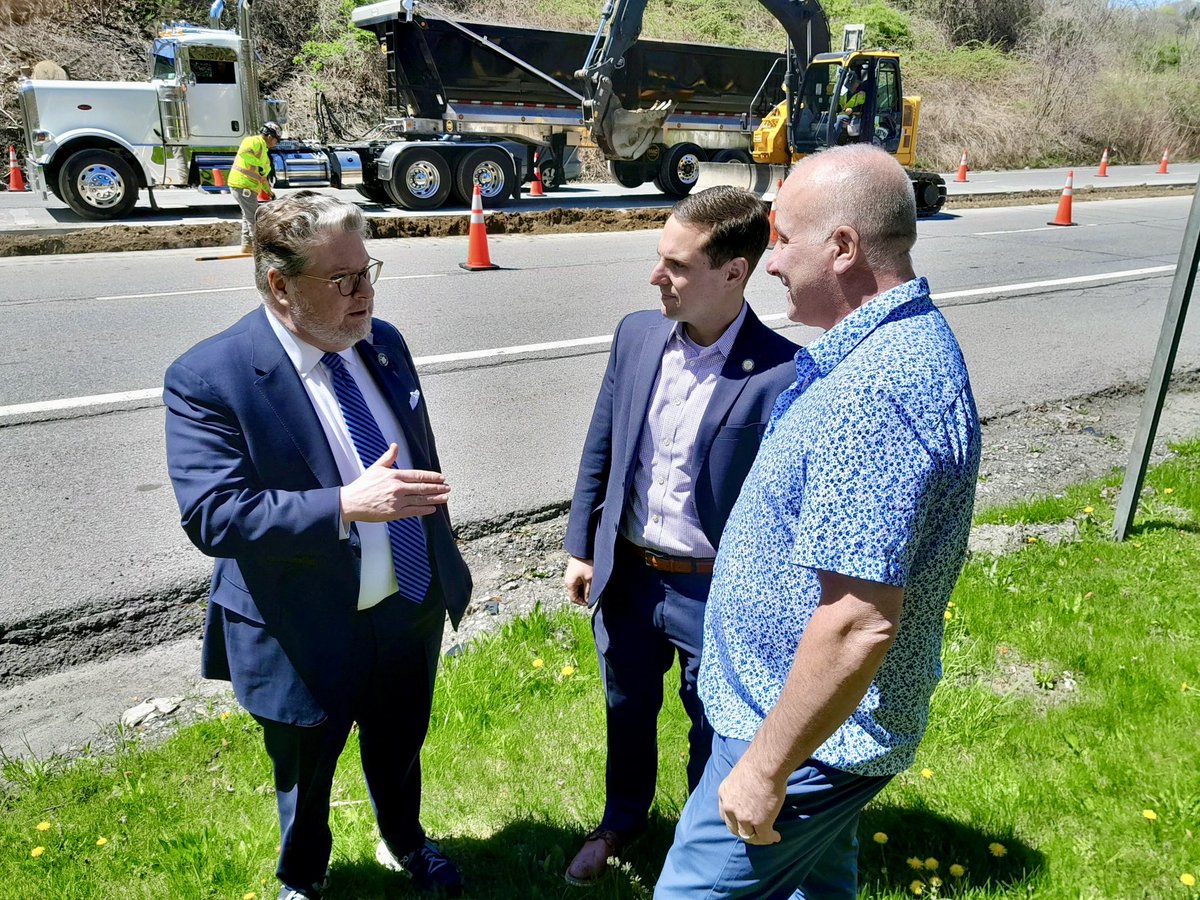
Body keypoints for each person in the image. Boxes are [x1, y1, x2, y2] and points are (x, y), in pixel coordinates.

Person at [655, 145, 982, 899]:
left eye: (782, 239)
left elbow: (858, 621)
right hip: (806, 721)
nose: (768, 262)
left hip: (803, 739)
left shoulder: (877, 392)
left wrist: (765, 768)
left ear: (842, 248)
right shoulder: (881, 352)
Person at [164, 191, 472, 900]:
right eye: (343, 281)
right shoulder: (212, 376)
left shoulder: (382, 342)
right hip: (304, 625)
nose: (365, 295)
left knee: (399, 749)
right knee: (305, 771)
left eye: (369, 272)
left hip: (408, 605)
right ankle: (302, 877)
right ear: (279, 284)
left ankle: (407, 842)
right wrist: (342, 505)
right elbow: (213, 514)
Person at [562, 186, 800, 885]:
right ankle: (622, 820)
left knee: (714, 727)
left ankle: (697, 847)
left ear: (734, 273)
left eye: (676, 265)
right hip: (630, 574)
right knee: (625, 706)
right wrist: (583, 546)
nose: (655, 277)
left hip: (714, 588)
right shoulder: (636, 336)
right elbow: (602, 446)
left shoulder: (782, 372)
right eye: (658, 258)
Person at [229, 120, 282, 253]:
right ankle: (259, 248)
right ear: (270, 137)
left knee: (248, 216)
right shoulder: (253, 141)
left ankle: (247, 246)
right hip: (242, 184)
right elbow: (244, 153)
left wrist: (269, 193)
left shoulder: (264, 152)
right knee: (253, 217)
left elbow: (262, 178)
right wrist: (259, 165)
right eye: (277, 140)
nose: (276, 143)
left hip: (248, 187)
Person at [835, 69, 866, 144]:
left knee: (840, 119)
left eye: (856, 82)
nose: (855, 84)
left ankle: (834, 140)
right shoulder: (844, 92)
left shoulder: (861, 94)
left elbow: (863, 108)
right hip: (842, 114)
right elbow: (839, 105)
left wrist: (852, 110)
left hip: (855, 117)